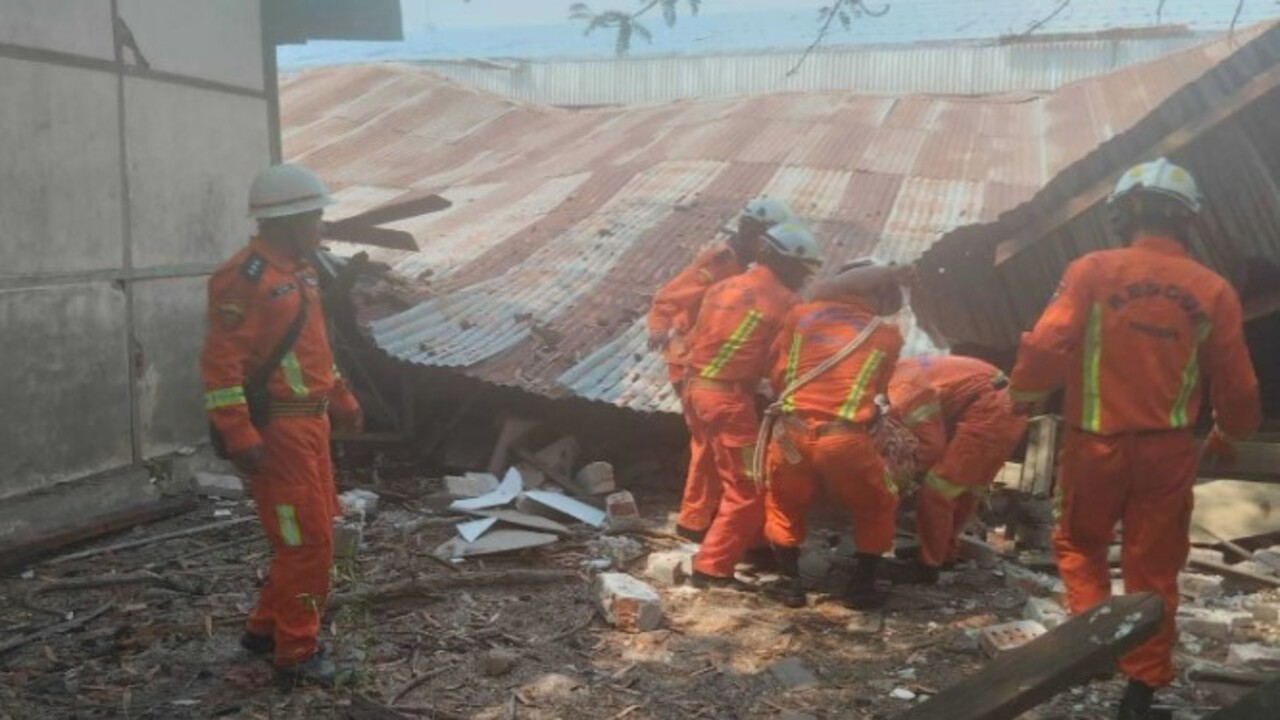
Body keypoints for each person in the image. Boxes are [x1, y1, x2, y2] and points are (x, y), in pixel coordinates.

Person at [1008, 158, 1261, 720]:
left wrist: (1021, 396)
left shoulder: (1092, 270)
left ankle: (1093, 648)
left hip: (1093, 444)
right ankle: (1141, 688)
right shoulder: (1214, 290)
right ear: (1187, 223)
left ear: (1122, 215)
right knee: (1154, 566)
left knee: (1080, 544)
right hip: (1168, 452)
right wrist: (1231, 432)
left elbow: (1049, 346)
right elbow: (1238, 384)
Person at [201, 163, 364, 687]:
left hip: (310, 431)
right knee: (308, 543)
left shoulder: (302, 273)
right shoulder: (243, 279)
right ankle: (296, 652)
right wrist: (239, 434)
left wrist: (343, 399)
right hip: (278, 437)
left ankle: (263, 630)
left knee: (311, 533)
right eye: (315, 217)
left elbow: (315, 350)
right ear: (288, 220)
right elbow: (220, 366)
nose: (320, 228)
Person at [681, 222, 823, 589]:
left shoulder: (725, 284)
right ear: (785, 262)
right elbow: (782, 366)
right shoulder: (787, 301)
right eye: (802, 271)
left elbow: (698, 335)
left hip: (695, 390)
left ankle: (727, 534)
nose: (804, 279)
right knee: (749, 485)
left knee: (711, 462)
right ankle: (712, 566)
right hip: (727, 399)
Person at [762, 260, 906, 609]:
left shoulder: (800, 316)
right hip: (844, 440)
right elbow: (880, 388)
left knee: (783, 502)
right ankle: (861, 588)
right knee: (878, 505)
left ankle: (789, 585)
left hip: (790, 432)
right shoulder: (886, 335)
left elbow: (779, 372)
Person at [648, 197, 793, 543]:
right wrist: (658, 326)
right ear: (752, 232)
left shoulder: (751, 270)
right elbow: (670, 297)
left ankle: (695, 520)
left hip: (710, 364)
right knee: (718, 446)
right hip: (695, 363)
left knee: (707, 445)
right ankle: (719, 526)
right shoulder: (721, 261)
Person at [887, 356, 1027, 584]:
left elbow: (931, 447)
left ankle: (928, 566)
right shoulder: (908, 370)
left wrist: (902, 480)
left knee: (937, 491)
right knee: (964, 489)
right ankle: (944, 554)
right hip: (1005, 409)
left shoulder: (902, 387)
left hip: (989, 412)